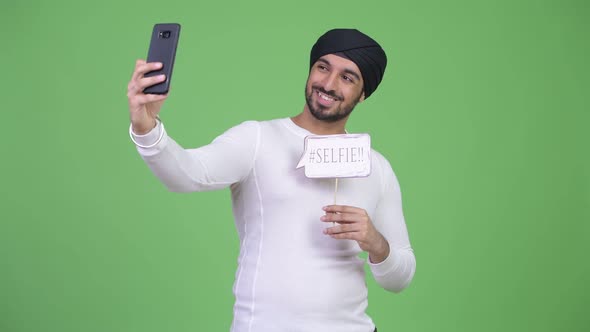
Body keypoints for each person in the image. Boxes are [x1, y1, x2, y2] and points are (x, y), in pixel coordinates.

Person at [127, 28, 416, 332]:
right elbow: (187, 175)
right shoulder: (257, 139)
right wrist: (146, 127)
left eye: (347, 77)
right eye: (323, 67)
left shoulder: (377, 167)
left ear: (364, 93)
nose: (328, 84)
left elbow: (400, 278)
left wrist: (376, 244)